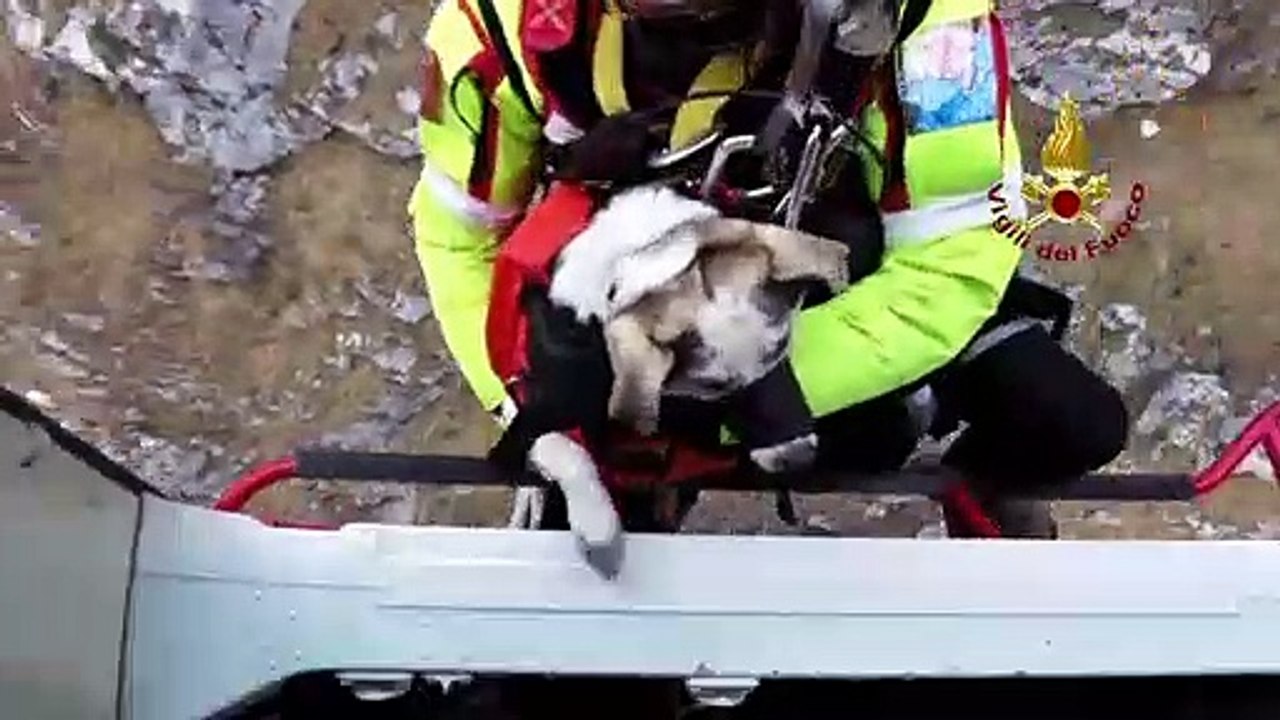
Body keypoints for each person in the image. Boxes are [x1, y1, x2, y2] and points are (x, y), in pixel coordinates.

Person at [407, 0, 1129, 539]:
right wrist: (528, 408)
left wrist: (760, 387)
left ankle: (976, 500)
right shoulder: (501, 26)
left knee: (1070, 421)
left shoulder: (927, 23)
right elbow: (459, 240)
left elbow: (953, 259)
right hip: (629, 334)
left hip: (852, 285)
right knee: (586, 587)